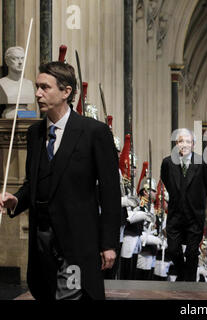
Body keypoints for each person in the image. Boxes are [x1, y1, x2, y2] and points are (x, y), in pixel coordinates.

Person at [0, 61, 121, 300]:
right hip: (42, 242)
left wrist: (108, 244)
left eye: (45, 87)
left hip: (76, 242)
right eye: (37, 86)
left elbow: (110, 192)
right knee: (47, 294)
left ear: (66, 92)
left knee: (70, 295)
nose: (37, 93)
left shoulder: (94, 132)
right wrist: (16, 200)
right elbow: (32, 183)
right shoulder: (34, 134)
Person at [161, 128, 207, 281]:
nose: (184, 144)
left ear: (193, 144)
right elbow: (166, 181)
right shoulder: (168, 162)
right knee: (174, 250)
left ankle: (189, 284)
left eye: (188, 141)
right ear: (176, 144)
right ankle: (183, 276)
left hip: (194, 215)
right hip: (175, 214)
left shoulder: (202, 163)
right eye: (181, 141)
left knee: (191, 253)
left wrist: (197, 201)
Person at [0, 46, 35, 118]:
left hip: (28, 115)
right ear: (7, 61)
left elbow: (34, 114)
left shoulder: (29, 84)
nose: (20, 62)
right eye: (15, 58)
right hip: (9, 116)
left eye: (22, 58)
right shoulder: (2, 83)